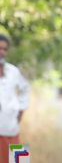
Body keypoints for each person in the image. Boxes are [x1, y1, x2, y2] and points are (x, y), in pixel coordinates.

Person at [0, 34, 29, 163]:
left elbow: (25, 89)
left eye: (5, 49)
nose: (2, 52)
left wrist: (21, 110)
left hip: (12, 130)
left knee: (20, 161)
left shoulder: (13, 71)